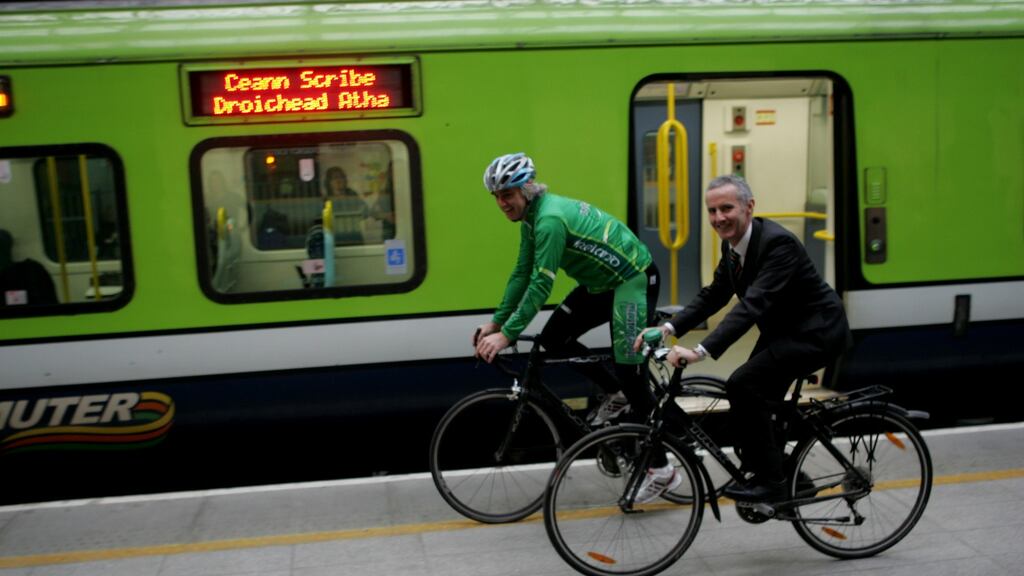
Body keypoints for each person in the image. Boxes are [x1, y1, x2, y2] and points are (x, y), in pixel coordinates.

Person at [473, 152, 677, 503]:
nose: (502, 203)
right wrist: (497, 321)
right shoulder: (532, 219)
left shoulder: (549, 220)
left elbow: (540, 284)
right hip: (601, 284)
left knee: (631, 373)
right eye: (497, 197)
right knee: (553, 340)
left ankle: (662, 470)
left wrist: (507, 334)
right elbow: (521, 273)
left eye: (507, 194)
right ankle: (616, 393)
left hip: (631, 281)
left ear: (526, 190)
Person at [638, 174, 851, 502]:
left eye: (726, 208)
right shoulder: (733, 245)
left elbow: (753, 305)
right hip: (784, 330)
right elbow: (715, 294)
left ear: (749, 207)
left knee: (743, 384)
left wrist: (700, 351)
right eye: (712, 211)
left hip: (816, 332)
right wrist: (668, 328)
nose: (718, 218)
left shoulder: (778, 244)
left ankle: (772, 482)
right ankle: (782, 472)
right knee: (751, 401)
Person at [323, 166, 367, 245]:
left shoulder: (352, 195)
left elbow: (365, 212)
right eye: (335, 178)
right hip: (335, 238)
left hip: (354, 236)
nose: (338, 180)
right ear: (329, 182)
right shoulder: (326, 200)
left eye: (341, 177)